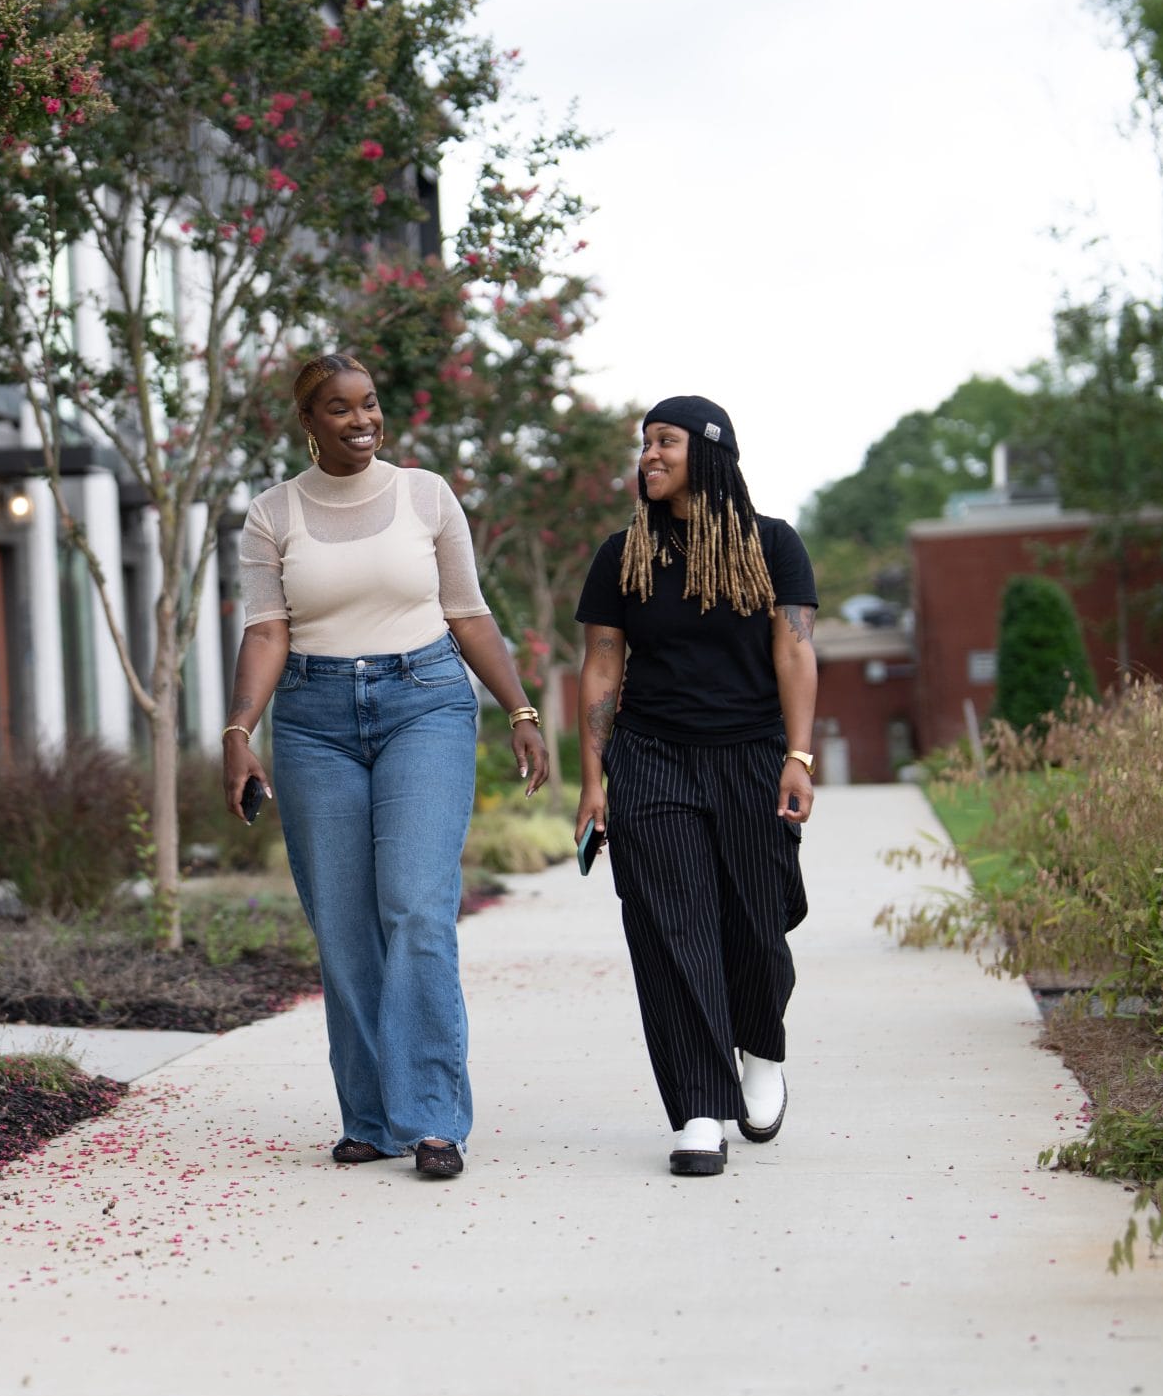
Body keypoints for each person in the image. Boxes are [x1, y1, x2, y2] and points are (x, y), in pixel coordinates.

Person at [224, 352, 550, 1179]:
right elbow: (268, 630)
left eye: (370, 402)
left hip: (426, 700)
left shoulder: (426, 494)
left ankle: (432, 1117)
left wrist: (518, 708)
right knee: (341, 920)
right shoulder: (273, 514)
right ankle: (370, 1114)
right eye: (339, 407)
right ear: (307, 420)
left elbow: (468, 612)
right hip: (314, 718)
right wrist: (239, 729)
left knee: (414, 904)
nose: (362, 419)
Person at [572, 395, 818, 1176]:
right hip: (652, 759)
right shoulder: (624, 554)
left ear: (708, 453)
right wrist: (593, 780)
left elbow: (795, 654)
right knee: (672, 929)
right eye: (644, 442)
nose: (649, 454)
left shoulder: (773, 546)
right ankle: (700, 1108)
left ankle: (762, 1048)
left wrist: (800, 756)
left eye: (665, 441)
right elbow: (603, 668)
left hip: (751, 755)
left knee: (756, 925)